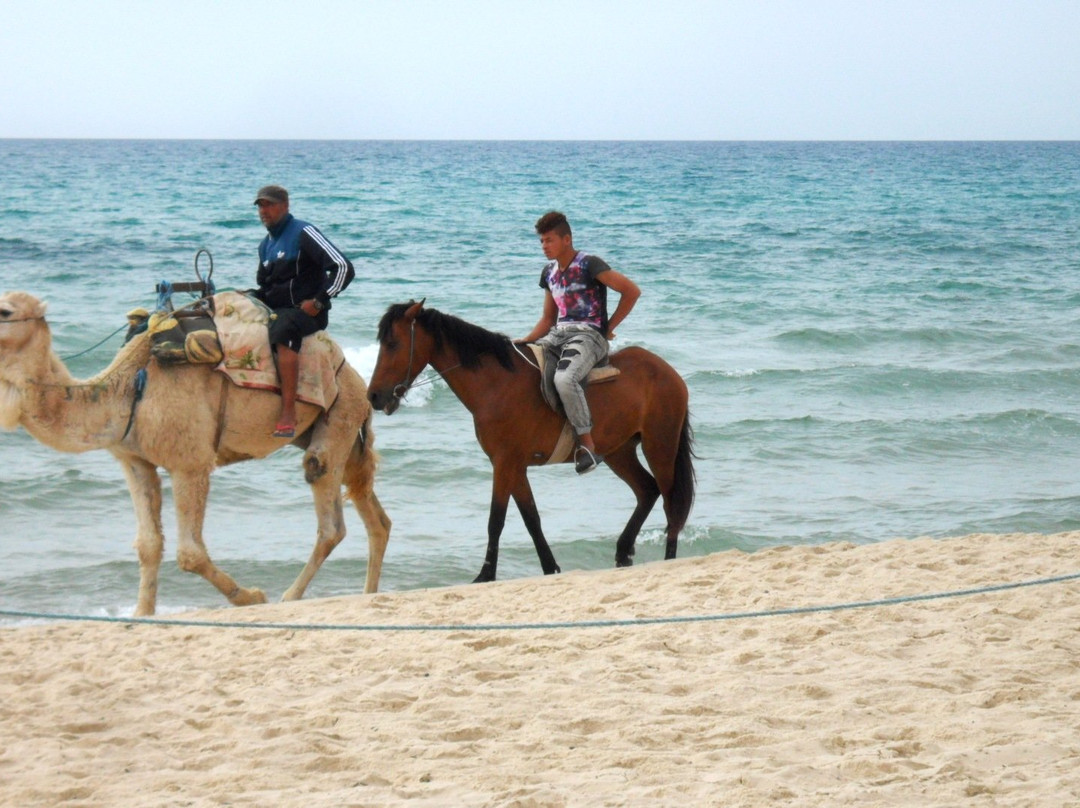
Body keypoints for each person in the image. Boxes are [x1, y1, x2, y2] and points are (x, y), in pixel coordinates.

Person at [521, 211, 640, 474]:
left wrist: (607, 328)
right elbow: (548, 318)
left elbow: (632, 291)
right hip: (557, 335)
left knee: (565, 379)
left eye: (549, 240)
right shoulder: (549, 273)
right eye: (541, 241)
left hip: (589, 336)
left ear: (567, 239)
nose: (544, 246)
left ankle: (587, 445)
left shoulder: (589, 264)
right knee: (523, 367)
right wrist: (524, 341)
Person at [251, 184, 354, 437]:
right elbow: (265, 287)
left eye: (270, 205)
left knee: (283, 330)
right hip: (278, 309)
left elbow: (343, 268)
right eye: (260, 206)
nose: (264, 210)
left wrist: (319, 301)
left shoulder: (304, 232)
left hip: (307, 312)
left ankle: (288, 412)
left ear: (285, 206)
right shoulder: (265, 246)